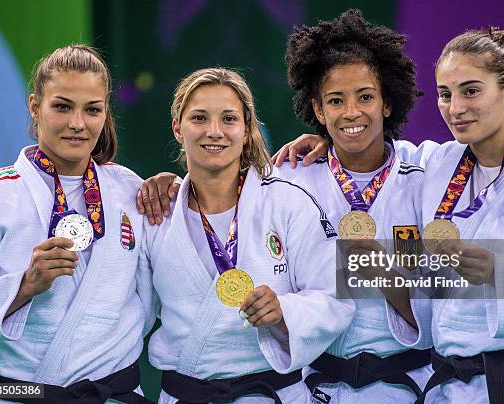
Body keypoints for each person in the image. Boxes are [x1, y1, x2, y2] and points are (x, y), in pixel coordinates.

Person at [274, 26, 504, 403]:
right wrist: (334, 139)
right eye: (445, 94)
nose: (456, 107)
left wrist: (497, 270)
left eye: (471, 91)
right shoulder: (441, 165)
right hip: (452, 386)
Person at [138, 10, 434, 403]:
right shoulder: (295, 179)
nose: (350, 112)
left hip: (406, 381)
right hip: (319, 385)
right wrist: (171, 183)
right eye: (335, 100)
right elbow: (222, 188)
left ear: (388, 102)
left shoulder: (424, 178)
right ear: (318, 110)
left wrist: (387, 273)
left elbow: (464, 284)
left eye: (365, 97)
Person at [142, 67, 354, 403]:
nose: (215, 131)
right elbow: (128, 310)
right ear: (177, 129)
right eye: (199, 118)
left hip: (270, 394)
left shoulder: (288, 201)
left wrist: (284, 312)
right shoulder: (157, 214)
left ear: (246, 129)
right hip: (185, 394)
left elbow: (337, 297)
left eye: (229, 119)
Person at [0, 45, 155, 403]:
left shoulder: (132, 191)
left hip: (113, 394)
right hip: (19, 394)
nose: (77, 123)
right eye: (62, 106)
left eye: (92, 110)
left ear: (105, 114)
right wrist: (25, 285)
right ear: (34, 106)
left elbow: (161, 294)